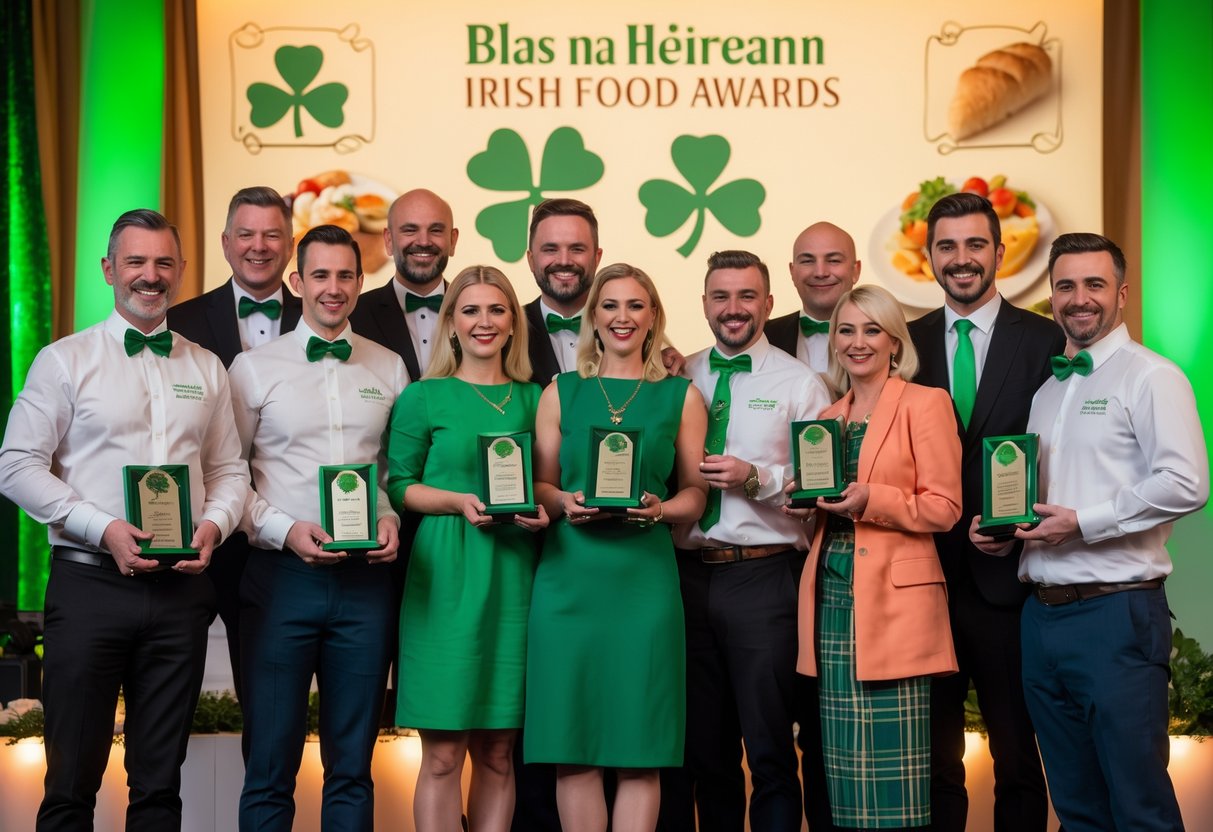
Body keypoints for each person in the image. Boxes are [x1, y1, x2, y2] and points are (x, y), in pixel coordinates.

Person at [0, 208, 248, 830]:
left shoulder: (207, 367)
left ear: (181, 271)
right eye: (136, 261)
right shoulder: (64, 360)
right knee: (69, 785)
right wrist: (100, 525)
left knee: (160, 786)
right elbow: (16, 466)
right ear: (109, 269)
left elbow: (229, 470)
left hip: (179, 593)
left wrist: (214, 525)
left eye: (164, 263)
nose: (150, 275)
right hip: (90, 586)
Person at [970, 232, 1208, 832]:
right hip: (1041, 619)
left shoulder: (1151, 376)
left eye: (1094, 284)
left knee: (1140, 806)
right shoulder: (1048, 390)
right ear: (1051, 296)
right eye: (1066, 285)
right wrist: (1007, 531)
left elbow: (1187, 483)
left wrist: (1083, 524)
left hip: (1116, 615)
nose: (1079, 298)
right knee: (1076, 808)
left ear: (1121, 294)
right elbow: (1053, 494)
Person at [229, 224, 407, 831]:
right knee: (269, 764)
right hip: (281, 580)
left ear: (360, 281)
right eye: (321, 275)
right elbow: (227, 477)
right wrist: (284, 529)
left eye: (346, 275)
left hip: (366, 585)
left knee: (353, 767)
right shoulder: (252, 369)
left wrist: (389, 519)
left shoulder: (390, 367)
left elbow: (392, 472)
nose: (334, 288)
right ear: (297, 281)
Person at [526, 264, 708, 832]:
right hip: (568, 583)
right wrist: (563, 502)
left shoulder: (682, 396)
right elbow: (541, 484)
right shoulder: (560, 391)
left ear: (653, 316)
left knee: (639, 750)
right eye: (610, 305)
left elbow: (696, 494)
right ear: (593, 317)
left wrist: (660, 509)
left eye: (635, 305)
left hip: (643, 584)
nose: (622, 317)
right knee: (573, 747)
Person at [663, 250, 831, 832]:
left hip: (762, 577)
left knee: (769, 747)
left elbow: (820, 483)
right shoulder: (677, 375)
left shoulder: (799, 382)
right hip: (686, 577)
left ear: (768, 303)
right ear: (704, 303)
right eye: (721, 296)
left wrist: (754, 477)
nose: (733, 309)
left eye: (746, 296)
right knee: (705, 752)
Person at [906, 192, 1056, 832]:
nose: (961, 258)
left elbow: (1064, 452)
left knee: (1018, 757)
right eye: (947, 246)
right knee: (933, 762)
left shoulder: (1047, 339)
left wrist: (1024, 530)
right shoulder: (903, 344)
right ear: (928, 257)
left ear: (999, 252)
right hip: (922, 582)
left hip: (1009, 582)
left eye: (975, 244)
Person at [788, 284, 962, 831]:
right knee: (842, 772)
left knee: (895, 776)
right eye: (846, 330)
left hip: (895, 607)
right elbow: (826, 511)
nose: (857, 342)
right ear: (834, 342)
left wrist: (871, 499)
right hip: (831, 600)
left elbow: (946, 507)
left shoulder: (925, 403)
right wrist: (803, 501)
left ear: (894, 343)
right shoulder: (826, 416)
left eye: (871, 330)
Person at [388, 265, 549, 832]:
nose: (485, 322)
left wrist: (544, 509)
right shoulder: (423, 396)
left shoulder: (538, 398)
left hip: (515, 577)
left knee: (499, 753)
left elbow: (548, 483)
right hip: (445, 576)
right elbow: (399, 486)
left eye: (497, 310)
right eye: (471, 310)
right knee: (441, 754)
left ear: (514, 323)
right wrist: (458, 501)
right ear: (451, 322)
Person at [167, 185, 302, 704]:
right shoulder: (178, 322)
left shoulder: (323, 316)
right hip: (202, 532)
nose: (258, 246)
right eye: (246, 234)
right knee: (172, 683)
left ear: (290, 245)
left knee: (274, 695)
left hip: (292, 534)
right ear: (225, 243)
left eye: (272, 235)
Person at [350, 188, 458, 380]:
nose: (423, 241)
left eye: (435, 230)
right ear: (389, 240)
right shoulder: (353, 315)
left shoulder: (480, 315)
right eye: (410, 230)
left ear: (453, 240)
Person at [523, 198, 604, 386]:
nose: (564, 261)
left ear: (597, 257)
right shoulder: (508, 330)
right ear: (531, 260)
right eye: (550, 249)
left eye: (577, 249)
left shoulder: (624, 326)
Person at [766, 221, 862, 373]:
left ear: (856, 270)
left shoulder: (887, 335)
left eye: (834, 260)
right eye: (807, 261)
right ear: (792, 272)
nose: (820, 272)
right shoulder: (765, 336)